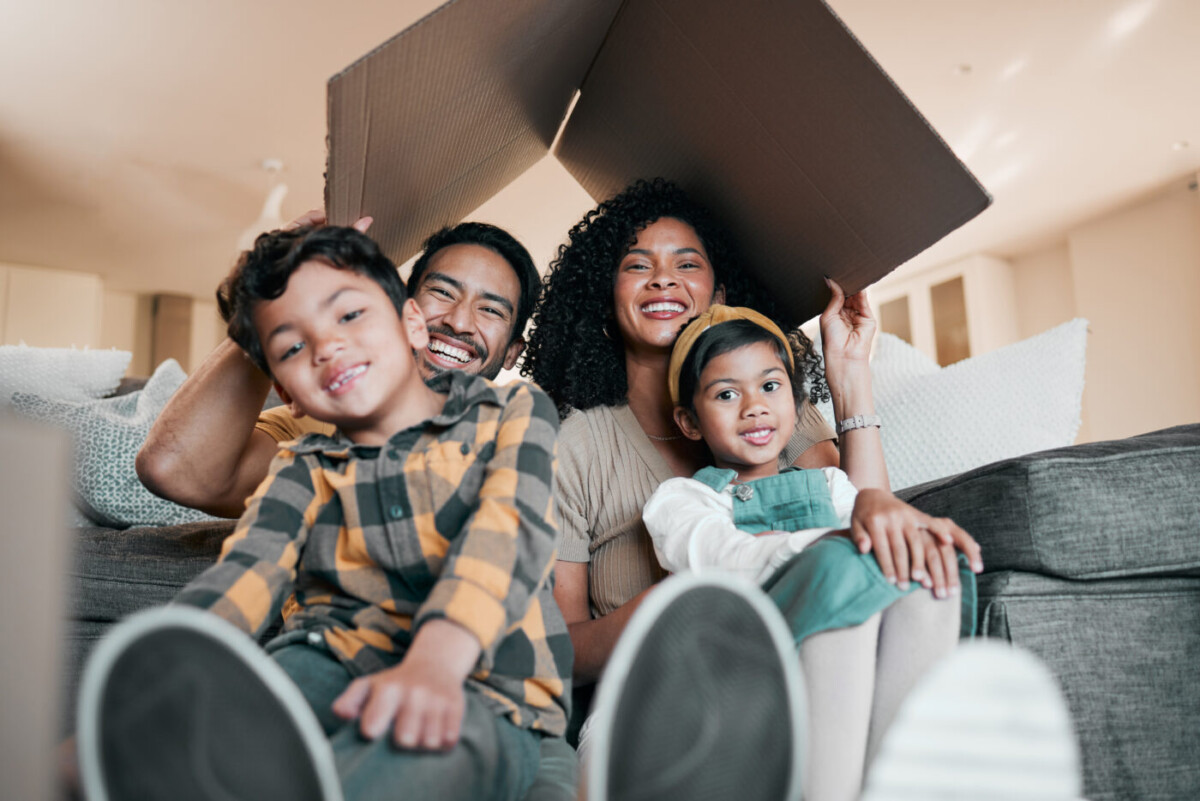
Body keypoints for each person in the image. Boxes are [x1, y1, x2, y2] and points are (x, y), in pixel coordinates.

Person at [78, 225, 571, 801]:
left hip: (480, 682)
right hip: (326, 656)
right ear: (284, 388)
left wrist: (436, 662)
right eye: (292, 348)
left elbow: (502, 536)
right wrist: (143, 705)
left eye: (349, 316)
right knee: (232, 721)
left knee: (416, 754)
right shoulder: (303, 457)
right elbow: (241, 577)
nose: (460, 321)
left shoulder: (513, 411)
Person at [522, 179, 980, 790]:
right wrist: (669, 610)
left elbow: (862, 520)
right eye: (638, 266)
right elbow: (560, 650)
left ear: (720, 292)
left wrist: (848, 373)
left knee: (912, 573)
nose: (664, 279)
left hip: (795, 653)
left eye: (687, 264)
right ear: (606, 300)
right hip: (668, 683)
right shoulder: (576, 444)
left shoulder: (776, 410)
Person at [636, 305, 978, 798]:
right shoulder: (683, 500)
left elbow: (880, 548)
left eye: (770, 387)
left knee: (925, 567)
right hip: (740, 667)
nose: (753, 406)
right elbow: (726, 562)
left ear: (796, 404)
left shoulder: (833, 485)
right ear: (689, 422)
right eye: (727, 394)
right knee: (846, 565)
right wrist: (836, 541)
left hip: (846, 655)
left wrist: (909, 536)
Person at [136, 212, 541, 519]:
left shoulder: (529, 447)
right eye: (441, 291)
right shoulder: (312, 429)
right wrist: (277, 290)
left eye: (490, 309)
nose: (458, 321)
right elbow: (171, 470)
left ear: (512, 353)